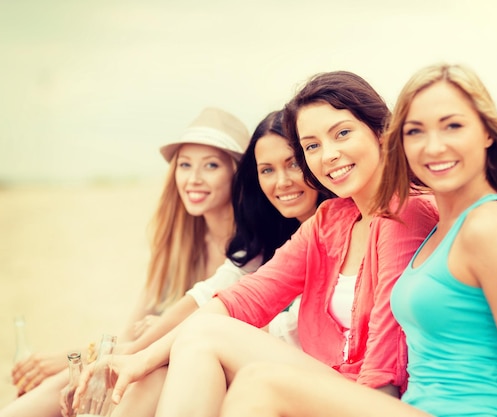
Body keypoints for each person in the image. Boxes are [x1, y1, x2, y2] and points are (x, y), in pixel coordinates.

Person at [73, 71, 439, 417]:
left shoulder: (405, 211)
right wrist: (141, 358)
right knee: (172, 356)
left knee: (205, 336)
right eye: (312, 145)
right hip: (331, 382)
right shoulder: (332, 219)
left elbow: (387, 361)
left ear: (380, 131)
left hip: (373, 399)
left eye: (341, 134)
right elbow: (246, 297)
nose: (327, 155)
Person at [218, 63, 497, 417]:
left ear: (487, 132)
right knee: (251, 380)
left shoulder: (490, 224)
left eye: (453, 126)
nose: (433, 146)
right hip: (419, 408)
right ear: (399, 139)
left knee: (260, 385)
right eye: (416, 131)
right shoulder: (442, 227)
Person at [65, 109, 328, 417]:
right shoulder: (271, 236)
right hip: (265, 363)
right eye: (267, 170)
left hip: (312, 378)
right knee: (158, 366)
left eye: (293, 163)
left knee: (184, 352)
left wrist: (161, 346)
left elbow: (264, 322)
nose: (282, 181)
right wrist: (137, 351)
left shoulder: (332, 226)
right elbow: (211, 295)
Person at [1, 106, 250, 417]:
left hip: (204, 378)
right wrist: (73, 359)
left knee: (145, 375)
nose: (194, 178)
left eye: (211, 165)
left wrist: (161, 332)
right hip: (145, 362)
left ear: (237, 174)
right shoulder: (178, 244)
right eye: (185, 165)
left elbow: (224, 332)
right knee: (52, 387)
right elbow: (130, 334)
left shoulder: (250, 251)